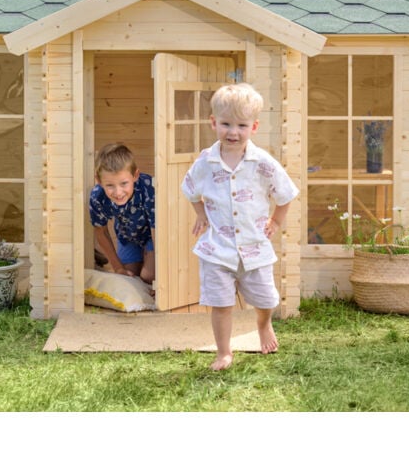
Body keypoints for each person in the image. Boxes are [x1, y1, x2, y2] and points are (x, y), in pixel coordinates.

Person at [181, 83, 298, 370]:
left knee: (267, 299)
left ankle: (263, 324)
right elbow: (190, 188)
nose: (233, 132)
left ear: (254, 127)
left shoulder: (263, 163)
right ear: (213, 123)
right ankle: (224, 352)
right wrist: (200, 214)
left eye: (241, 125)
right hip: (217, 249)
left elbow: (285, 194)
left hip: (255, 247)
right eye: (226, 124)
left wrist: (276, 222)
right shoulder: (205, 163)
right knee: (220, 304)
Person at [89, 143, 155, 285]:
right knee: (128, 278)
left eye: (124, 183)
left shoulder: (148, 188)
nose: (118, 193)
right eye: (110, 185)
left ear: (135, 176)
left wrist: (160, 278)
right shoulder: (97, 197)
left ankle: (148, 261)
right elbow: (101, 231)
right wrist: (118, 268)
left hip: (153, 235)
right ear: (99, 180)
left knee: (148, 276)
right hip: (127, 236)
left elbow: (158, 229)